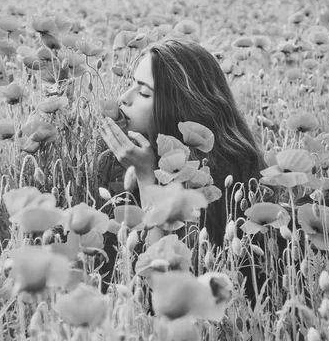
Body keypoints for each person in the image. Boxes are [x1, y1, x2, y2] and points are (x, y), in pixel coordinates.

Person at [97, 38, 269, 304]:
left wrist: (145, 177)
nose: (123, 99)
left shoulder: (216, 176)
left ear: (178, 107)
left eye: (143, 93)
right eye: (131, 84)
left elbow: (161, 286)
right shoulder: (116, 164)